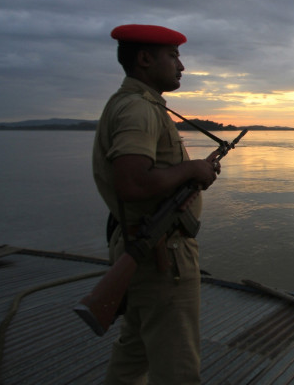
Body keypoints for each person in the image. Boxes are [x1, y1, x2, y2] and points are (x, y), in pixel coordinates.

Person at [93, 24, 221, 384]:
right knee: (177, 366)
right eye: (173, 56)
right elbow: (132, 181)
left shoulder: (131, 104)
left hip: (139, 246)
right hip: (163, 255)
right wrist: (193, 167)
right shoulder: (139, 110)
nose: (181, 66)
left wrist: (192, 176)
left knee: (134, 353)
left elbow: (149, 180)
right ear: (146, 59)